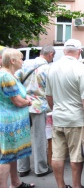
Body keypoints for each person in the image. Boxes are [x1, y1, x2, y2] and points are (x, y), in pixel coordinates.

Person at [45, 39, 84, 188]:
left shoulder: (52, 68)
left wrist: (56, 110)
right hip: (76, 119)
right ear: (79, 51)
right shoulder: (81, 68)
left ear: (64, 51)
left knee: (57, 155)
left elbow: (49, 96)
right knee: (76, 155)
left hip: (58, 117)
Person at [0, 48, 35, 188]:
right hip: (9, 122)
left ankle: (15, 183)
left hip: (12, 121)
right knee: (6, 156)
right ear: (13, 61)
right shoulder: (5, 76)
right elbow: (17, 101)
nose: (23, 61)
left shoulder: (9, 74)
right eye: (21, 58)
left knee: (12, 154)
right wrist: (28, 102)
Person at [16, 45, 55, 178]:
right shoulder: (48, 69)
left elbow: (15, 80)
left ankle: (22, 168)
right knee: (39, 137)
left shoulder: (25, 63)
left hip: (22, 103)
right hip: (39, 105)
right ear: (50, 55)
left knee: (22, 137)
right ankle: (40, 168)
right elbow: (51, 90)